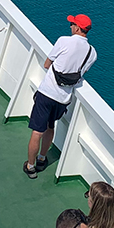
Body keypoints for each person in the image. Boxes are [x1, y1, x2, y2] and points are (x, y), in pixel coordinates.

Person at [25, 14, 96, 178]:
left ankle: (30, 166)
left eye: (72, 24)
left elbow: (46, 64)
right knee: (51, 127)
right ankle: (42, 158)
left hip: (46, 93)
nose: (70, 26)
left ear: (77, 28)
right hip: (63, 99)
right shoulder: (92, 53)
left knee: (37, 131)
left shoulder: (64, 41)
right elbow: (80, 73)